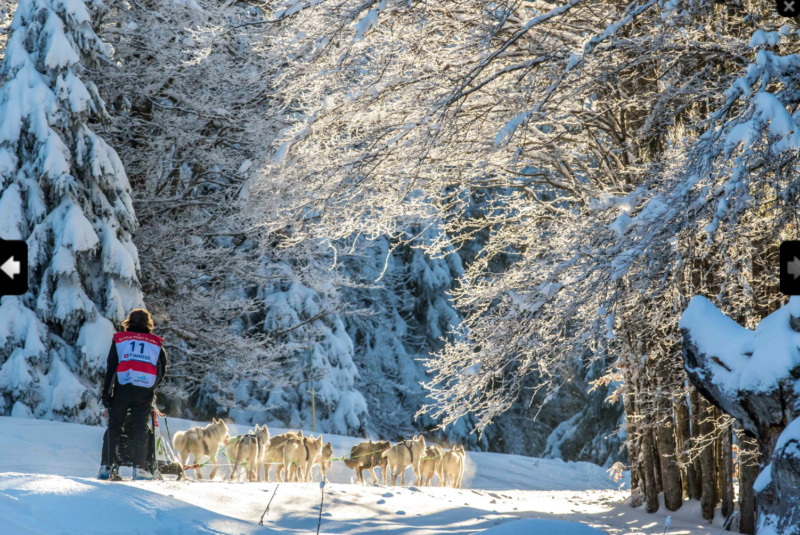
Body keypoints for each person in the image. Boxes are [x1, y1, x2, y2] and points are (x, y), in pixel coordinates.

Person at [98, 309, 168, 480]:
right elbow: (161, 369)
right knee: (140, 428)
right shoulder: (156, 344)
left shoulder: (120, 340)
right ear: (148, 323)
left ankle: (106, 466)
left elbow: (111, 368)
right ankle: (139, 467)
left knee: (114, 426)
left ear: (128, 322)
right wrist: (151, 386)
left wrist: (107, 393)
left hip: (122, 388)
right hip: (143, 391)